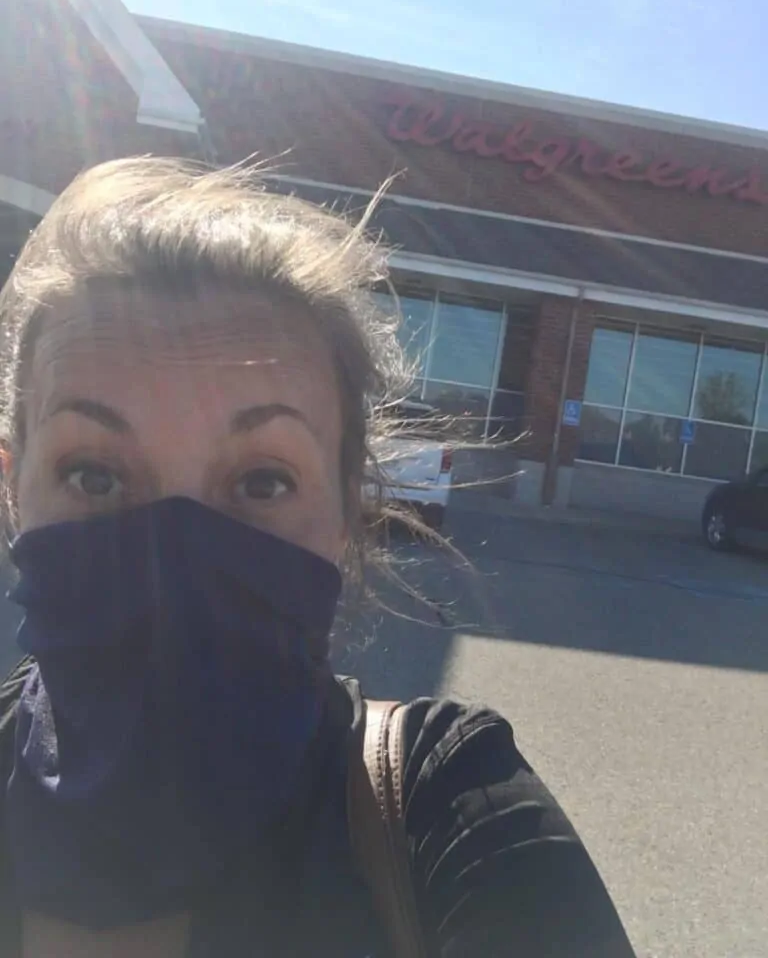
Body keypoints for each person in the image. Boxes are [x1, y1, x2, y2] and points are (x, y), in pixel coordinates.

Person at [0, 157, 635, 957]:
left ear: (346, 512)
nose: (172, 557)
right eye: (94, 474)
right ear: (14, 488)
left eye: (262, 480)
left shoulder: (446, 810)